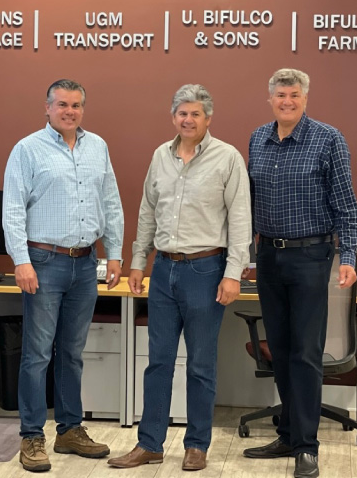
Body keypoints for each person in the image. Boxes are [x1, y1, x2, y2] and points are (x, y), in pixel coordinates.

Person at [108, 84, 251, 472]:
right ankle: (150, 444)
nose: (188, 120)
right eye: (182, 113)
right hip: (163, 270)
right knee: (158, 362)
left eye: (195, 114)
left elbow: (241, 219)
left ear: (208, 118)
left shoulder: (227, 158)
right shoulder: (161, 155)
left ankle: (197, 445)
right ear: (173, 117)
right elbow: (148, 210)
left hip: (206, 270)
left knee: (201, 364)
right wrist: (139, 261)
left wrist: (233, 274)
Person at [3, 79, 124, 473]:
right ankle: (32, 436)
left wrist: (115, 254)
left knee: (72, 353)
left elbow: (110, 202)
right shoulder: (27, 149)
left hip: (86, 264)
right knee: (37, 354)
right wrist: (21, 261)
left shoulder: (97, 146)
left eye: (76, 105)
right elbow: (13, 209)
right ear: (47, 107)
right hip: (43, 261)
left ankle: (70, 430)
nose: (69, 111)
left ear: (82, 109)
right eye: (62, 104)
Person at [243, 68, 357, 478]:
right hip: (268, 257)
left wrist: (349, 257)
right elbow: (249, 202)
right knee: (280, 349)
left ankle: (307, 447)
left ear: (305, 98)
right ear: (270, 98)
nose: (287, 101)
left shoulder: (328, 139)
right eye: (280, 94)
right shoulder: (258, 138)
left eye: (294, 94)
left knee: (306, 353)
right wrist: (243, 254)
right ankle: (289, 434)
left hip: (311, 256)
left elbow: (346, 204)